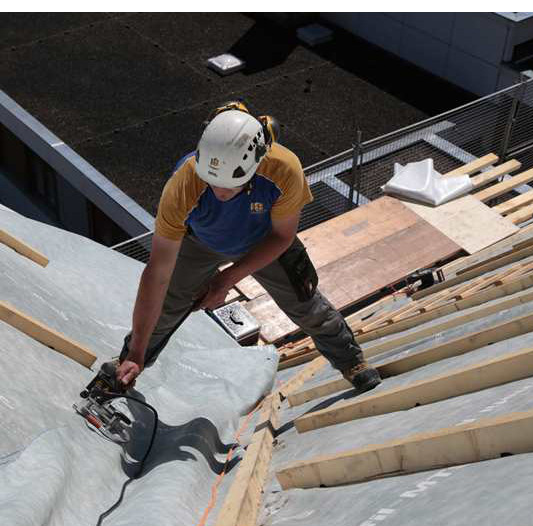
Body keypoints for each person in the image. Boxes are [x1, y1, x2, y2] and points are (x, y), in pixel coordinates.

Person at [115, 100, 381, 393]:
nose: (220, 192)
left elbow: (282, 237)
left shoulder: (283, 169)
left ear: (255, 165)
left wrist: (226, 279)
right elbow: (158, 272)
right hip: (200, 242)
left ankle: (352, 362)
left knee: (305, 304)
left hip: (263, 241)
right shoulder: (184, 182)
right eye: (212, 182)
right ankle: (128, 364)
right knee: (167, 308)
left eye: (231, 185)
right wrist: (137, 351)